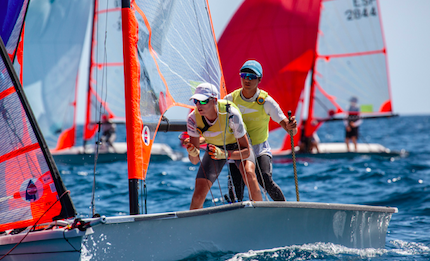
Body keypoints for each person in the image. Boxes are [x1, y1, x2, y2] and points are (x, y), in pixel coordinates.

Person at [224, 60, 297, 202]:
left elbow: (290, 130)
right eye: (244, 75)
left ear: (259, 80)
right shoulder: (230, 100)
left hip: (259, 149)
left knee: (265, 180)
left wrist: (291, 128)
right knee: (236, 191)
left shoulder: (266, 102)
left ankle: (285, 210)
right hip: (238, 149)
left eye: (252, 77)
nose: (247, 79)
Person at [186, 82, 262, 210]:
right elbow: (194, 161)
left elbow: (246, 152)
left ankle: (261, 214)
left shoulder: (231, 113)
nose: (198, 105)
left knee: (249, 174)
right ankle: (193, 227)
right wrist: (193, 154)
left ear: (214, 100)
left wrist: (226, 154)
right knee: (198, 196)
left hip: (238, 147)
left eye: (203, 101)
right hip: (214, 149)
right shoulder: (192, 118)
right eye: (195, 101)